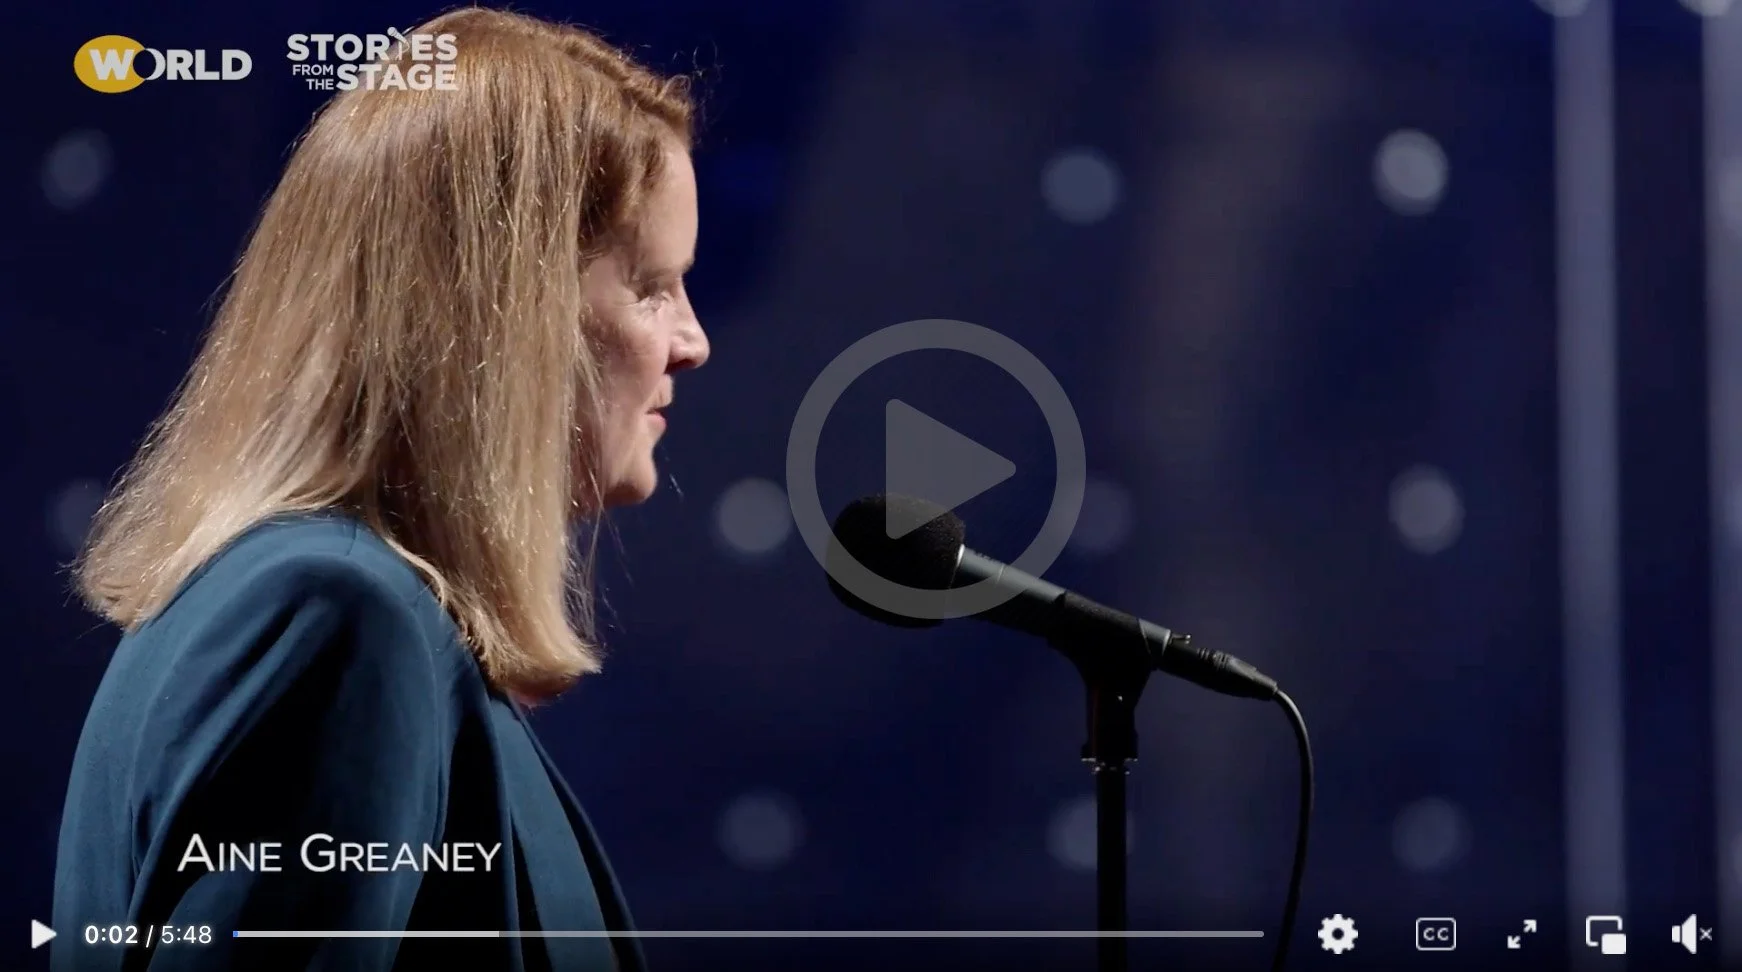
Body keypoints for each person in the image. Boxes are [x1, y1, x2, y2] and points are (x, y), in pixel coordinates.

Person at [52, 8, 709, 971]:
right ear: (502, 310)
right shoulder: (335, 616)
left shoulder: (303, 602)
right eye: (651, 285)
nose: (692, 342)